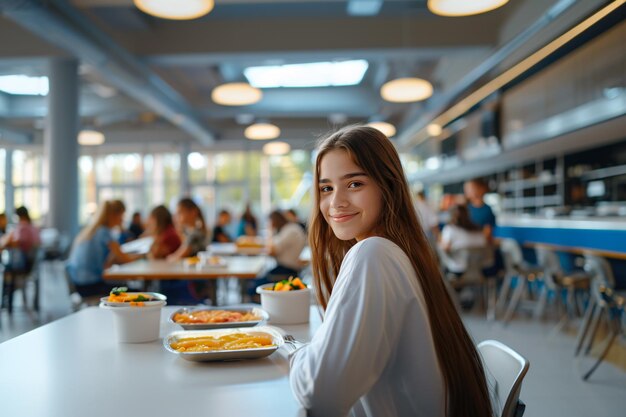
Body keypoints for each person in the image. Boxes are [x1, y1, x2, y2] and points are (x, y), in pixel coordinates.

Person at [289, 126, 492, 417]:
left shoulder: (373, 254)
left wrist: (294, 355)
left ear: (388, 186)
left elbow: (320, 396)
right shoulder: (400, 251)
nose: (336, 202)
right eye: (326, 188)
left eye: (355, 184)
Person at [67, 200, 139, 297]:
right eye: (122, 215)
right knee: (136, 293)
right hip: (90, 286)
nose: (123, 219)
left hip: (79, 283)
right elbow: (124, 259)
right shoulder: (105, 233)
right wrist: (142, 256)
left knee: (125, 287)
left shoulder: (93, 230)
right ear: (114, 215)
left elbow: (108, 262)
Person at [439, 204, 487, 275]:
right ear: (468, 215)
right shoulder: (479, 230)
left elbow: (444, 248)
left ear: (451, 216)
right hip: (481, 270)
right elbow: (485, 245)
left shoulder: (449, 229)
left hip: (458, 270)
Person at [464, 178, 496, 244]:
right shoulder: (465, 209)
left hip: (481, 245)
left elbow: (488, 231)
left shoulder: (487, 209)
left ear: (481, 189)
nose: (467, 191)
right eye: (466, 189)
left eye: (471, 188)